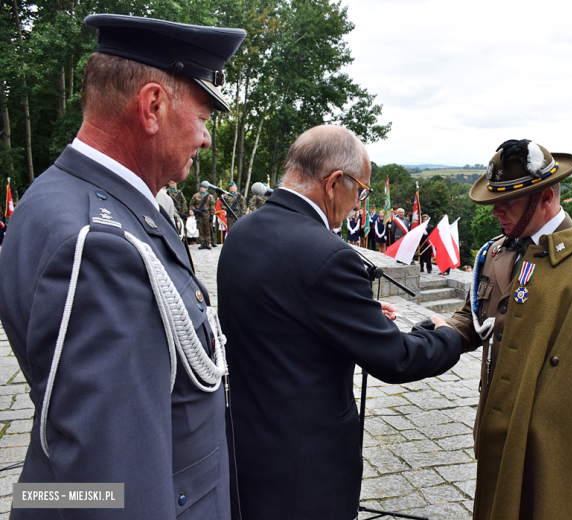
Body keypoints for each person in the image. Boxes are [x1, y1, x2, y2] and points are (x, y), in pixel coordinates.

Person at [0, 14, 245, 520]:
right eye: (202, 117)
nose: (205, 139)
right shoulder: (100, 247)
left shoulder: (56, 195)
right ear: (153, 106)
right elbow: (115, 488)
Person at [217, 125, 462, 520]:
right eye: (360, 192)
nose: (357, 204)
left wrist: (351, 316)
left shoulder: (242, 231)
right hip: (305, 470)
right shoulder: (330, 255)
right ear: (334, 183)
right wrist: (446, 334)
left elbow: (279, 318)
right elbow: (395, 359)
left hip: (246, 447)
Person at [442, 139, 572, 518]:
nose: (496, 212)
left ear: (545, 197)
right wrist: (429, 336)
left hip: (561, 457)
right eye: (495, 200)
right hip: (500, 437)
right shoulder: (498, 252)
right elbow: (475, 318)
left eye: (509, 201)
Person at [190, 181, 215, 249]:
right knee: (200, 229)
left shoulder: (209, 196)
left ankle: (207, 243)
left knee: (207, 229)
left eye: (204, 188)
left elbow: (212, 205)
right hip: (199, 214)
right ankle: (202, 243)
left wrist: (212, 214)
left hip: (207, 214)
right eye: (201, 187)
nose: (202, 189)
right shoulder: (196, 196)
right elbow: (191, 204)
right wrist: (194, 209)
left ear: (206, 189)